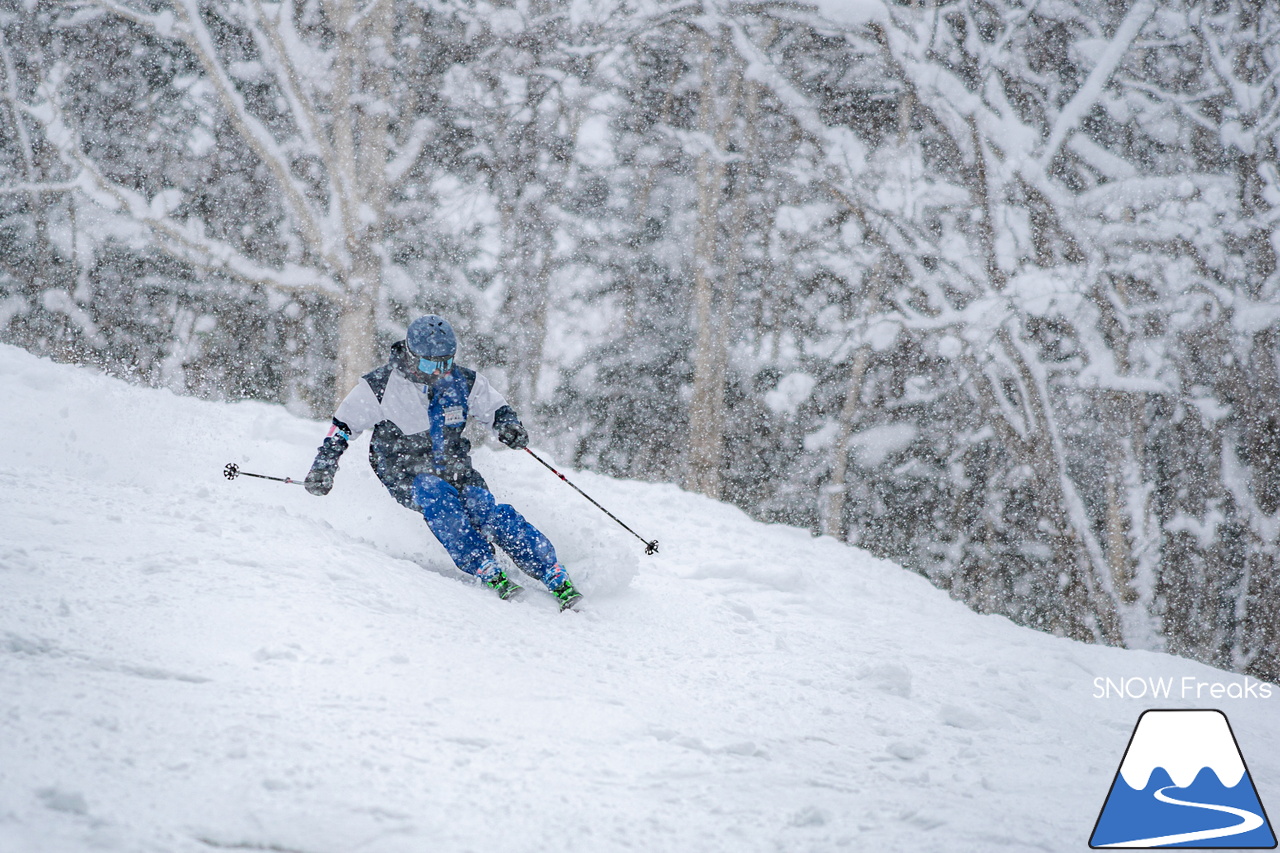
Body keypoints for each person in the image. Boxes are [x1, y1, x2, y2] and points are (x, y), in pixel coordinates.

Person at [303, 314, 583, 610]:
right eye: (429, 364)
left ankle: (549, 567)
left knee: (484, 508)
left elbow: (496, 409)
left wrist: (508, 426)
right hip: (402, 468)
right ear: (410, 355)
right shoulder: (379, 387)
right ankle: (482, 562)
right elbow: (342, 428)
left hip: (453, 463)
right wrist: (324, 466)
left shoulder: (463, 382)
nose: (437, 372)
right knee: (434, 494)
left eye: (445, 363)